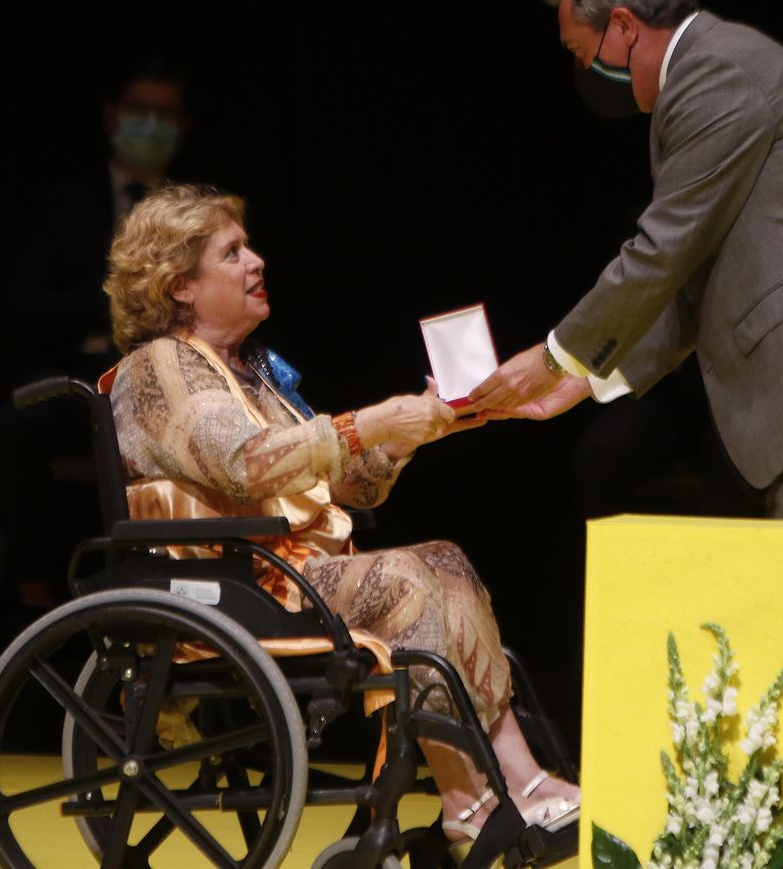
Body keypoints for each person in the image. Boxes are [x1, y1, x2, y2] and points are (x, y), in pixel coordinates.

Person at [468, 0, 783, 866]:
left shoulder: (716, 71)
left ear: (623, 28)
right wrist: (585, 383)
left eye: (585, 55)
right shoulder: (719, 72)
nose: (589, 75)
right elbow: (697, 283)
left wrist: (556, 353)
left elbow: (662, 247)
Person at [102, 183, 580, 851]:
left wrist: (403, 436)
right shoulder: (160, 369)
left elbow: (342, 484)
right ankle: (469, 800)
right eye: (233, 252)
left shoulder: (252, 372)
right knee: (406, 580)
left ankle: (521, 779)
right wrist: (367, 422)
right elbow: (249, 464)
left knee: (444, 558)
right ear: (180, 284)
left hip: (284, 575)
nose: (257, 261)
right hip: (229, 588)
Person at [0, 57, 190, 611]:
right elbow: (23, 309)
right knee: (15, 425)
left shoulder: (195, 212)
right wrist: (119, 300)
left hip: (169, 383)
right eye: (139, 110)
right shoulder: (64, 207)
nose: (151, 124)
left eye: (165, 113)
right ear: (111, 116)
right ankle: (34, 598)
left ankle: (184, 600)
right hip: (82, 378)